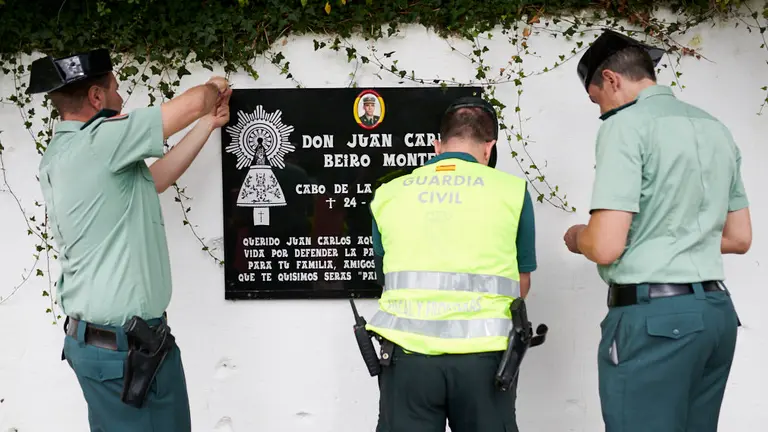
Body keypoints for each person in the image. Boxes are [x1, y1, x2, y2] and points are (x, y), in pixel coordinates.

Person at [27, 48, 232, 431]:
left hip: (112, 350)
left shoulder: (67, 152)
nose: (122, 98)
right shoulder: (101, 141)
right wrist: (213, 88)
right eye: (116, 89)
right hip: (126, 357)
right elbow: (189, 104)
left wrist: (206, 125)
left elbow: (155, 180)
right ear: (96, 97)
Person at [564, 29, 751, 432]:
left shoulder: (625, 126)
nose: (601, 112)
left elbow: (606, 246)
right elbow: (739, 237)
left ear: (612, 79)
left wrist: (579, 236)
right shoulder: (716, 128)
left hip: (656, 321)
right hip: (716, 317)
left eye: (598, 100)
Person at [366, 96, 538, 432]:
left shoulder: (389, 192)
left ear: (436, 145)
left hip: (407, 361)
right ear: (490, 148)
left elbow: (385, 274)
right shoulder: (512, 191)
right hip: (486, 362)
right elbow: (522, 282)